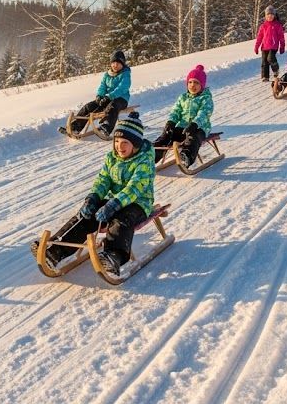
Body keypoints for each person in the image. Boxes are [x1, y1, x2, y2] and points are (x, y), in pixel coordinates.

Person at [34, 112, 155, 275]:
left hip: (138, 204)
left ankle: (115, 255)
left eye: (125, 142)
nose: (120, 146)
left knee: (121, 219)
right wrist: (93, 198)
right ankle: (56, 250)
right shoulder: (112, 158)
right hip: (115, 201)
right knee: (88, 214)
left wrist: (115, 204)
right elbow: (103, 180)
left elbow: (135, 187)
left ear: (136, 144)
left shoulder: (144, 161)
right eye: (117, 141)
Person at [154, 64, 213, 168]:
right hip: (182, 126)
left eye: (196, 82)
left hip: (200, 128)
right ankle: (154, 153)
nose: (192, 85)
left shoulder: (206, 99)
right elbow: (176, 111)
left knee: (192, 138)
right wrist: (171, 122)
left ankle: (186, 156)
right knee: (168, 134)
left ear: (202, 85)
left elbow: (204, 113)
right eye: (190, 82)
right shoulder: (183, 97)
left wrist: (195, 124)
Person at [60, 50, 131, 136]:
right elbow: (102, 86)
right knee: (89, 107)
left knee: (113, 106)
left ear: (122, 64)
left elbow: (122, 88)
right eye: (113, 63)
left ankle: (107, 127)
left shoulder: (125, 74)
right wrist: (99, 96)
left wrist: (110, 96)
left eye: (118, 63)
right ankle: (76, 127)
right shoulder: (107, 74)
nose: (115, 65)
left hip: (121, 99)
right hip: (106, 99)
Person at [254, 5, 286, 82]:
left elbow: (281, 37)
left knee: (270, 58)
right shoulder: (263, 26)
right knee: (264, 62)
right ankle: (265, 76)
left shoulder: (277, 25)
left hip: (273, 46)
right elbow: (259, 37)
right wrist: (256, 47)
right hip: (264, 47)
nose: (270, 17)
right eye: (268, 15)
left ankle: (276, 70)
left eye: (272, 15)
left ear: (274, 16)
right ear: (265, 16)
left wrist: (282, 47)